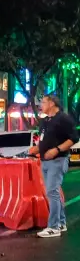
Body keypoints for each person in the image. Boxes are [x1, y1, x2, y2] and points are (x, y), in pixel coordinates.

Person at [28, 94, 79, 237]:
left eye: (43, 102)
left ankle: (54, 227)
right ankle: (61, 223)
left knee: (52, 192)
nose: (41, 105)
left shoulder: (63, 118)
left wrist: (57, 150)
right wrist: (35, 149)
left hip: (58, 160)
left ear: (52, 103)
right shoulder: (44, 121)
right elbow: (44, 141)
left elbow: (74, 138)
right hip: (45, 161)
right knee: (52, 192)